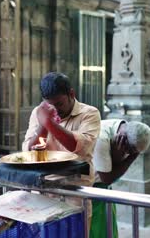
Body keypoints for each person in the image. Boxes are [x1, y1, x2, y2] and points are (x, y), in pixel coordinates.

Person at [22, 72, 101, 225]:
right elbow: (31, 151)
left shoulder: (89, 113)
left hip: (74, 195)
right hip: (42, 193)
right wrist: (44, 125)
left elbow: (76, 147)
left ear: (71, 94)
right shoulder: (39, 113)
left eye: (59, 104)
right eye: (51, 105)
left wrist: (49, 123)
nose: (56, 110)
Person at [90, 119, 150, 238]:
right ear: (124, 138)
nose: (130, 154)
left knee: (107, 230)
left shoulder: (123, 128)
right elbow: (107, 178)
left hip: (102, 191)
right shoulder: (101, 138)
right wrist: (131, 158)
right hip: (89, 190)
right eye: (132, 151)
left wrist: (118, 157)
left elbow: (112, 171)